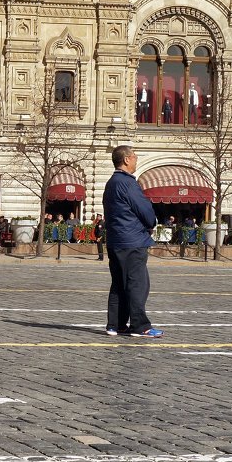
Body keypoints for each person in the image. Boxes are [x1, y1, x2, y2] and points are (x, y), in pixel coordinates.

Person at [102, 145, 161, 338]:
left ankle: (116, 324)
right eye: (135, 157)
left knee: (118, 283)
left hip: (115, 240)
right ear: (126, 159)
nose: (136, 160)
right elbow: (144, 209)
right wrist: (151, 223)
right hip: (132, 240)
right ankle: (140, 326)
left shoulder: (111, 182)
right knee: (137, 284)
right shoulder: (128, 183)